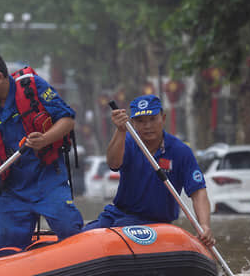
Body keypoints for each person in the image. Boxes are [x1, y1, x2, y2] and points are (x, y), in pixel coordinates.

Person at [0, 51, 83, 251]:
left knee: (69, 226)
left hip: (47, 178)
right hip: (12, 187)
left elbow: (67, 120)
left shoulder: (32, 87)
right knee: (3, 245)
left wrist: (45, 139)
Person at [84, 94, 215, 248]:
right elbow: (113, 163)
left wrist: (204, 226)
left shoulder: (181, 151)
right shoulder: (127, 142)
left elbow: (198, 192)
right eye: (140, 121)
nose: (147, 126)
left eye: (153, 119)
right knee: (80, 237)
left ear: (163, 118)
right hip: (118, 214)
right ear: (132, 122)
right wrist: (120, 130)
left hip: (155, 226)